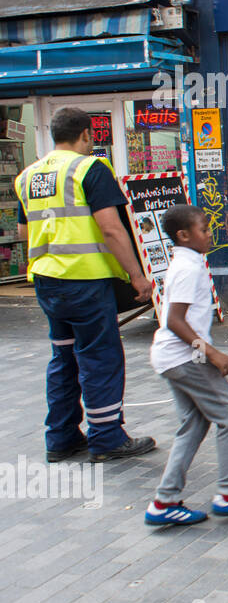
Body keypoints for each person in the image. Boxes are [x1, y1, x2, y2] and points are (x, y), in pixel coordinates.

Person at [14, 107, 155, 464]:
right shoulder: (90, 169)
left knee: (63, 357)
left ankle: (60, 438)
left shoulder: (27, 176)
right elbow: (111, 228)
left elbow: (23, 233)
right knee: (100, 355)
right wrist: (137, 276)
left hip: (48, 283)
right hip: (86, 282)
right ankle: (107, 438)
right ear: (87, 135)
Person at [144, 205, 228, 526]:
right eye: (203, 229)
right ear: (183, 236)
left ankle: (165, 501)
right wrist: (211, 353)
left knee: (195, 423)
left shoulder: (189, 262)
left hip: (173, 356)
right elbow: (174, 321)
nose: (209, 233)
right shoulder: (188, 269)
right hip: (185, 356)